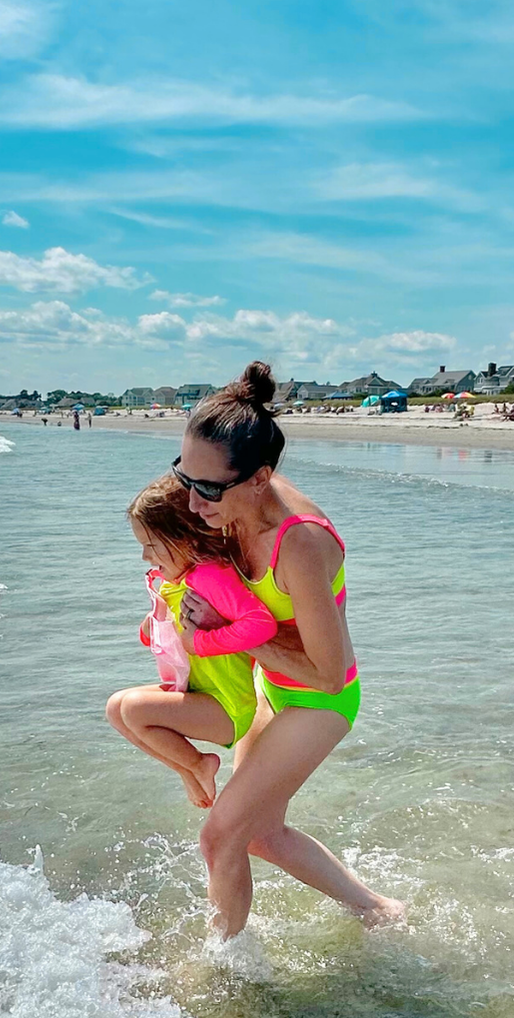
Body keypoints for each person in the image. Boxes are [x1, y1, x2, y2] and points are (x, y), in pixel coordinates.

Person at [169, 361, 405, 938]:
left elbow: (329, 675)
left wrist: (234, 628)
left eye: (206, 489)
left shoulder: (300, 543)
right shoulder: (231, 504)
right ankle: (377, 910)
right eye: (183, 477)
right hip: (273, 688)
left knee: (220, 834)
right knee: (256, 833)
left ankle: (225, 968)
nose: (194, 503)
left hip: (322, 699)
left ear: (259, 477)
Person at [107, 476, 278, 810]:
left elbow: (261, 625)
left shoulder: (211, 576)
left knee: (133, 709)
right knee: (116, 709)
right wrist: (154, 619)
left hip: (228, 706)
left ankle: (200, 763)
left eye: (151, 545)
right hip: (201, 694)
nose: (144, 556)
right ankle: (188, 769)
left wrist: (200, 642)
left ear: (183, 538)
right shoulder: (180, 580)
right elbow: (159, 637)